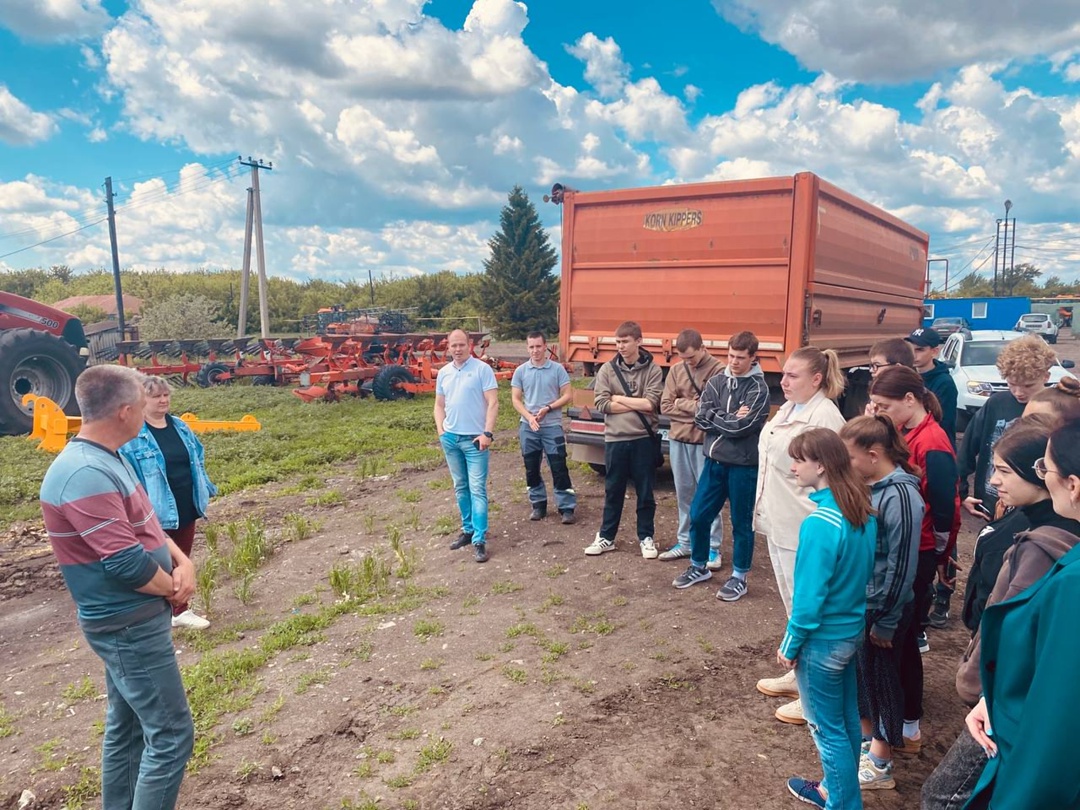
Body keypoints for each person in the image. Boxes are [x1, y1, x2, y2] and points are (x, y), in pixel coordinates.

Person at [39, 365, 196, 809]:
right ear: (127, 411)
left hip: (137, 618)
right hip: (126, 624)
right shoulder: (82, 473)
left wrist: (184, 560)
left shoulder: (110, 457)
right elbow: (125, 562)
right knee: (171, 736)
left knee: (127, 730)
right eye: (144, 403)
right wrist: (174, 589)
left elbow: (145, 524)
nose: (150, 410)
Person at [922, 417, 1080, 810]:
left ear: (1073, 485)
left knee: (943, 796)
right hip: (1004, 706)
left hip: (1022, 736)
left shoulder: (1069, 579)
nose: (994, 480)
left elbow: (1057, 717)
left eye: (1046, 468)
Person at [777, 428, 876, 810]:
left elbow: (808, 599)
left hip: (822, 642)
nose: (794, 467)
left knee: (825, 728)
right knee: (847, 720)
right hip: (851, 633)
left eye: (799, 459)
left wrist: (790, 644)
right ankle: (838, 793)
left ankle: (841, 802)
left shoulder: (820, 523)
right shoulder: (860, 512)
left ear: (821, 465)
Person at [754, 347, 847, 725]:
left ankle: (813, 694)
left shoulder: (824, 417)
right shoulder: (790, 408)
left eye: (792, 375)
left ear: (817, 379)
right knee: (793, 605)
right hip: (778, 519)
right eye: (784, 374)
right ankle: (799, 675)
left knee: (809, 609)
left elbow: (831, 478)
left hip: (803, 526)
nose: (784, 381)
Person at [869, 365, 960, 751]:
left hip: (920, 550)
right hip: (914, 546)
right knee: (901, 640)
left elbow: (943, 506)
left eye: (884, 405)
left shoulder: (933, 441)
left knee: (901, 640)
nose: (879, 413)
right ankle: (901, 720)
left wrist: (941, 554)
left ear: (910, 400)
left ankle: (907, 723)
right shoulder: (908, 433)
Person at [839, 416, 924, 792]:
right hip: (866, 603)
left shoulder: (902, 496)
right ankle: (866, 742)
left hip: (885, 609)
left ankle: (881, 763)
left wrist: (886, 621)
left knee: (884, 682)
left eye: (850, 458)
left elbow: (903, 565)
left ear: (873, 455)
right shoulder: (872, 485)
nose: (846, 467)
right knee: (865, 680)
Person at [671, 331, 770, 601]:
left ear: (753, 357)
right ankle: (699, 565)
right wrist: (724, 418)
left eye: (740, 358)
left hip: (743, 466)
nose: (734, 362)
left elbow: (744, 427)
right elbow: (701, 417)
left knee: (741, 522)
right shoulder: (716, 381)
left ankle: (739, 576)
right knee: (699, 514)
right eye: (730, 356)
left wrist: (716, 418)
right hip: (713, 462)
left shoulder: (759, 389)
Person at [120, 375, 217, 630]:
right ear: (142, 400)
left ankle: (179, 612)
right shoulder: (135, 437)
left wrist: (205, 488)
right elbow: (129, 477)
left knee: (181, 558)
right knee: (158, 564)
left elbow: (197, 456)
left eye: (166, 395)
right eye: (155, 396)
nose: (163, 400)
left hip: (186, 504)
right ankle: (156, 615)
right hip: (157, 511)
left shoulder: (180, 426)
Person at [585, 321, 664, 559]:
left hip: (643, 439)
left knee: (645, 491)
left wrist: (618, 398)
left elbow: (651, 403)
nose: (620, 346)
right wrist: (632, 402)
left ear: (639, 341)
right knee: (613, 491)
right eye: (617, 342)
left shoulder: (653, 370)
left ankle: (646, 537)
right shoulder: (607, 370)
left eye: (625, 341)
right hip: (615, 439)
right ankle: (606, 537)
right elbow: (601, 403)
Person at [959, 334, 1057, 522]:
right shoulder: (996, 403)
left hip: (1040, 510)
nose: (1019, 392)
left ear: (1046, 376)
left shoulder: (1056, 407)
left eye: (1028, 385)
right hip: (993, 504)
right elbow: (967, 449)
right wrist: (961, 492)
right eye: (1011, 384)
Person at [658, 328, 724, 566]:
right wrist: (693, 409)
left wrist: (681, 404)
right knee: (684, 493)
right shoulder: (676, 370)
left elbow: (710, 409)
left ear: (703, 349)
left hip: (704, 443)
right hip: (678, 440)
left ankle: (712, 548)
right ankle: (685, 542)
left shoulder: (718, 370)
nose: (687, 362)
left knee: (708, 495)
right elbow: (665, 406)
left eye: (691, 358)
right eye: (683, 358)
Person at [434, 329, 499, 564]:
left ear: (469, 345)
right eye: (454, 345)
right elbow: (439, 404)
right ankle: (468, 529)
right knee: (460, 486)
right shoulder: (444, 373)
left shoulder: (482, 370)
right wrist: (442, 431)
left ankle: (480, 539)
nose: (458, 349)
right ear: (448, 347)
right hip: (451, 438)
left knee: (477, 488)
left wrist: (487, 433)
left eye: (462, 345)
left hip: (475, 440)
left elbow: (493, 402)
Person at [510, 331, 576, 524]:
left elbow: (567, 395)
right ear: (527, 347)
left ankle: (566, 507)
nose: (535, 350)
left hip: (552, 426)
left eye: (538, 346)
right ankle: (538, 504)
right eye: (531, 347)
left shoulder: (557, 370)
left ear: (545, 346)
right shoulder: (521, 371)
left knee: (558, 466)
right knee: (531, 467)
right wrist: (529, 417)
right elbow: (515, 399)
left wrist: (549, 408)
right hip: (529, 427)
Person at [905, 328, 958, 447]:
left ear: (934, 352)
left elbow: (942, 422)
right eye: (910, 349)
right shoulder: (908, 376)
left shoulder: (944, 382)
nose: (913, 355)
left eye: (920, 350)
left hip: (935, 446)